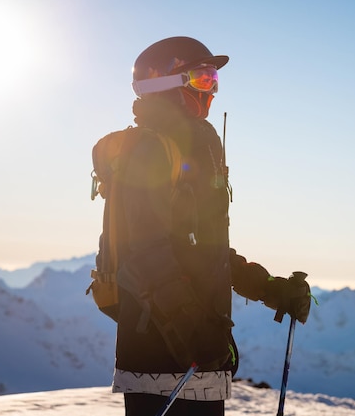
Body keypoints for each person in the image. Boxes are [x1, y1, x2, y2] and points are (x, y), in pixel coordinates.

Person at [94, 36, 311, 416]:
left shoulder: (194, 144)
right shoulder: (150, 150)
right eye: (202, 78)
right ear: (166, 84)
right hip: (162, 359)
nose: (212, 90)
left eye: (213, 79)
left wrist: (269, 288)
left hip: (194, 356)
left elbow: (201, 251)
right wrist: (194, 333)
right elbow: (146, 255)